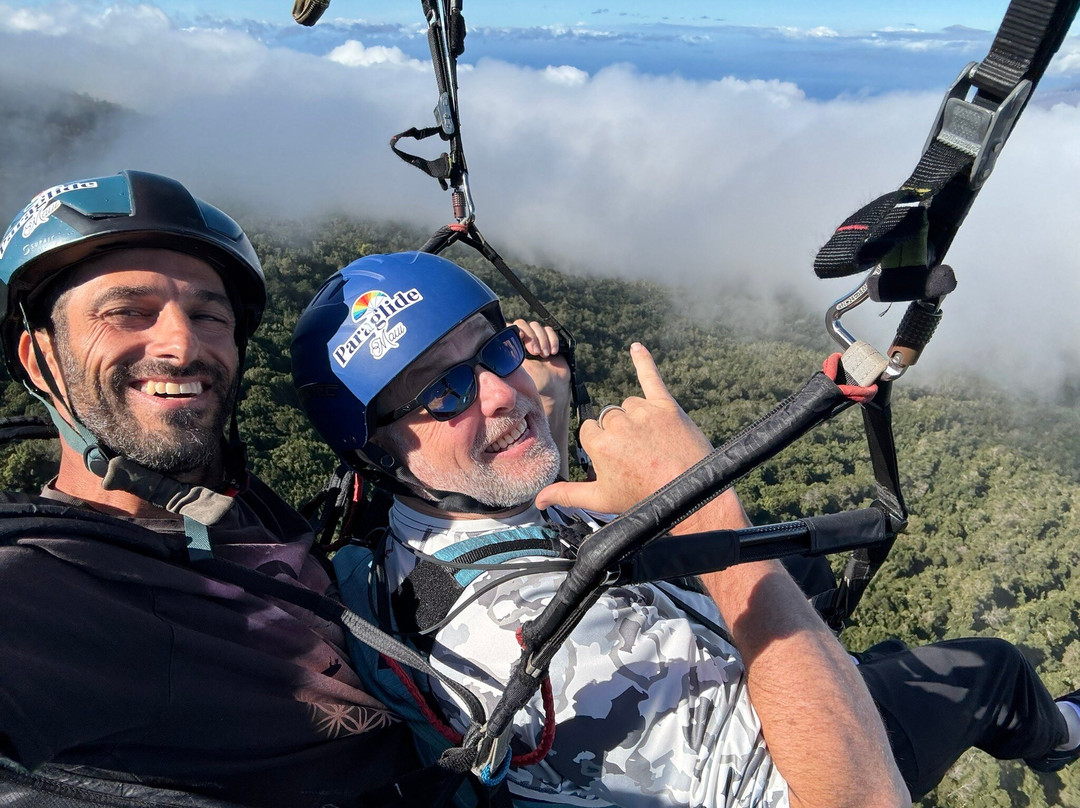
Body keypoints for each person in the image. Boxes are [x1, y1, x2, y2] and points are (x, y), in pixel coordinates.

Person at [291, 252, 1080, 808]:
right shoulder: (559, 651)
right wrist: (705, 504)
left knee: (806, 584)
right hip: (804, 763)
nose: (503, 393)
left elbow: (519, 464)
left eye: (495, 352)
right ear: (376, 449)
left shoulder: (422, 526)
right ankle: (1062, 738)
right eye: (444, 392)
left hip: (671, 672)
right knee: (991, 670)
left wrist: (550, 402)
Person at [0, 172, 423, 808]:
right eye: (126, 312)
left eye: (208, 315)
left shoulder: (240, 501)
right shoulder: (49, 588)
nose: (182, 343)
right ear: (39, 360)